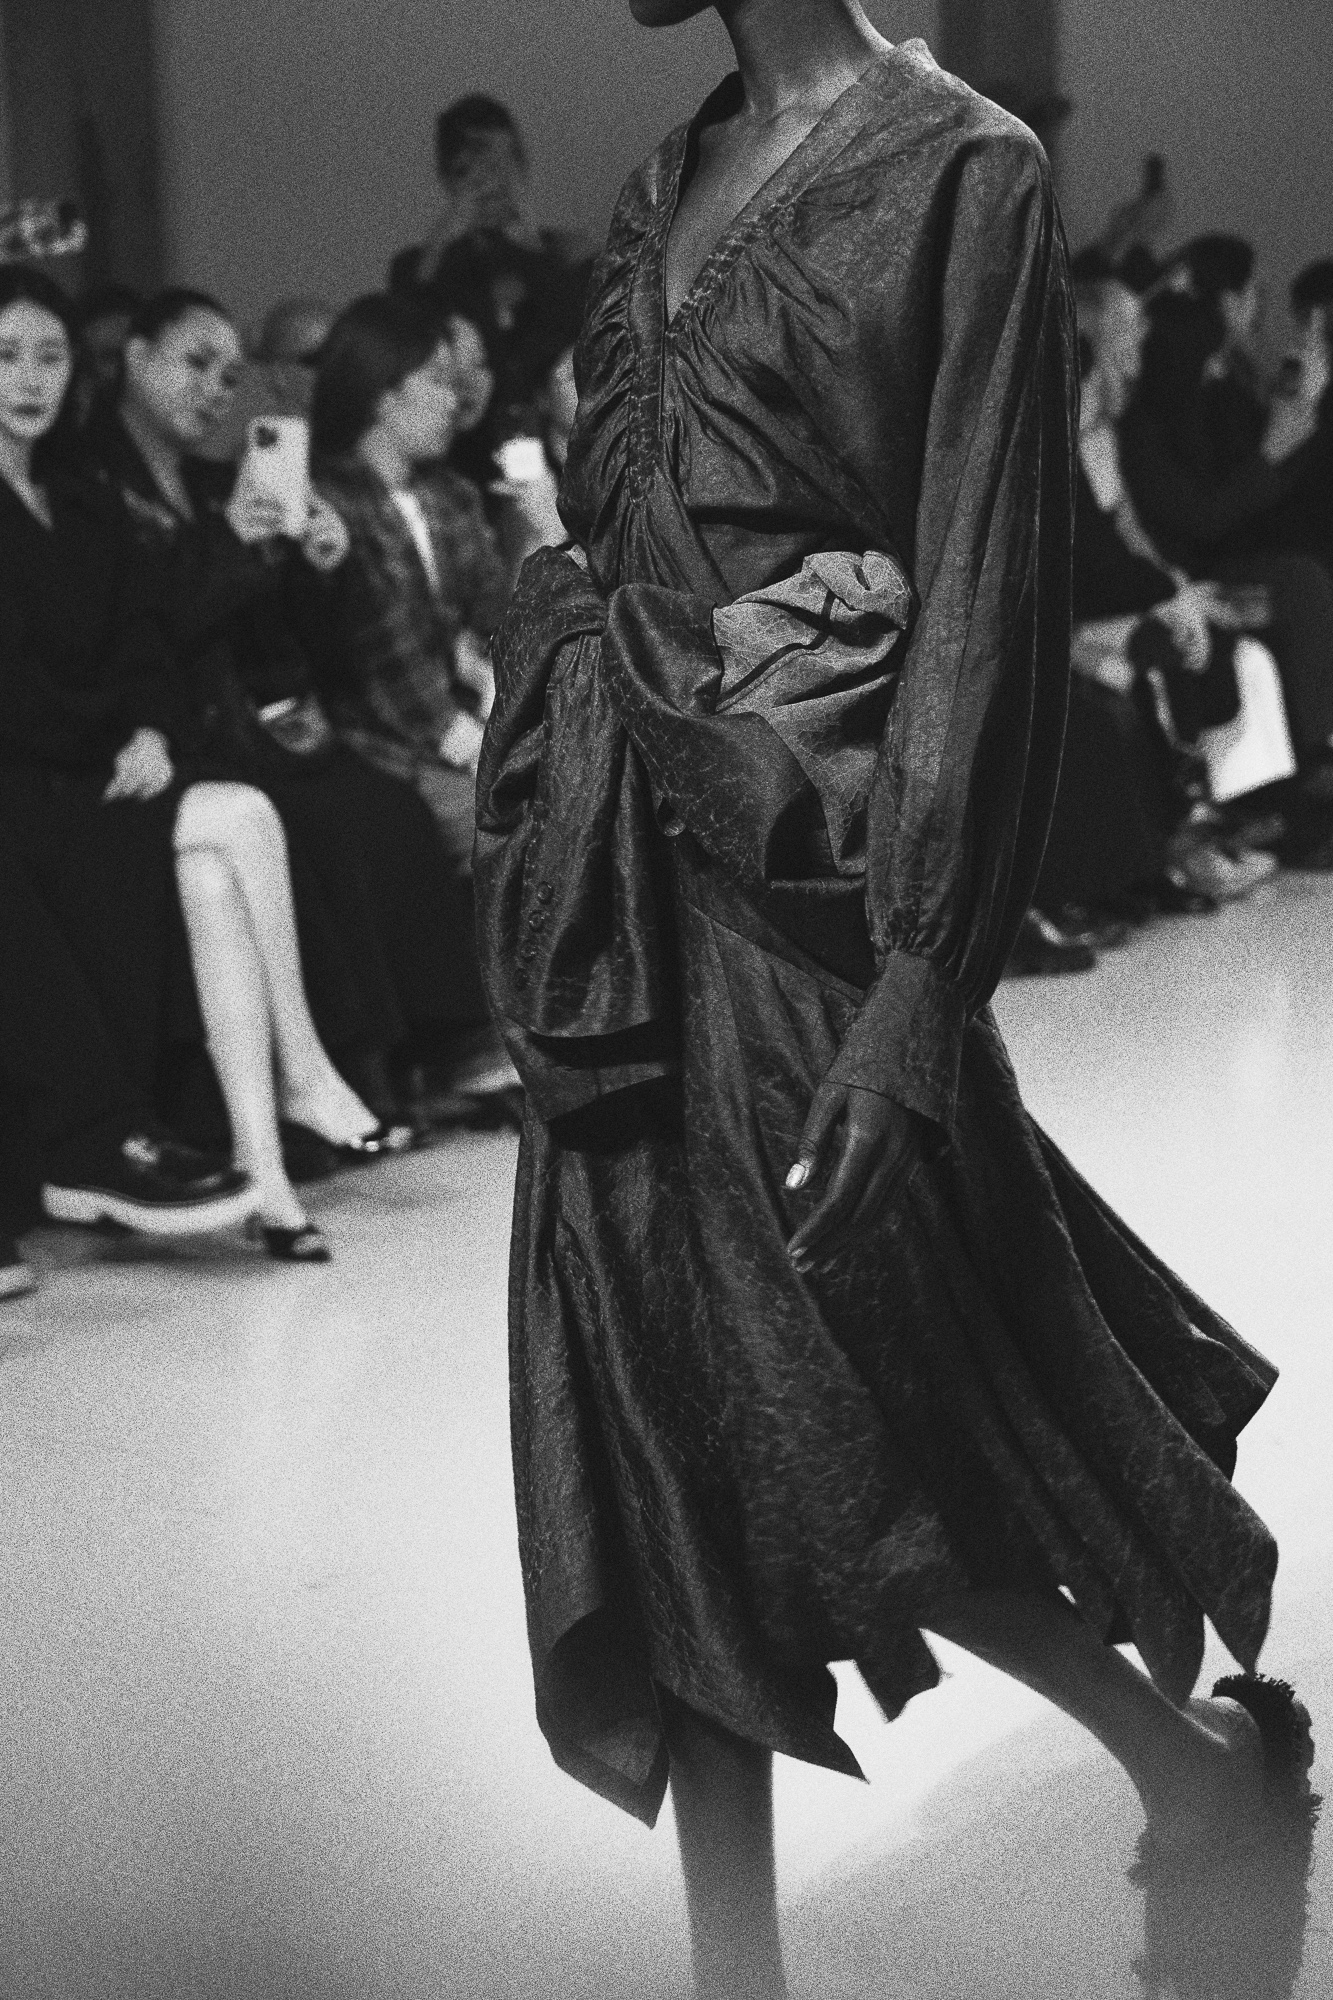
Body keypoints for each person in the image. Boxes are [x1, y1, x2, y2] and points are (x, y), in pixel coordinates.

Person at [473, 8, 1311, 1998]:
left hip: (809, 878)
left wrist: (924, 975)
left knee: (880, 1409)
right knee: (661, 1436)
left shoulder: (964, 169)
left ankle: (1183, 1765)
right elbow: (636, 521)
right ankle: (739, 1972)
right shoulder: (662, 179)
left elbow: (982, 582)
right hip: (616, 887)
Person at [0, 265, 382, 1262]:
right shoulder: (83, 491)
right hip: (34, 784)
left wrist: (148, 729)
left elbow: (137, 640)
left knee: (220, 860)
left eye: (47, 356)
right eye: (6, 356)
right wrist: (121, 733)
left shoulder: (76, 497)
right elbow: (18, 682)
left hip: (101, 770)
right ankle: (301, 1075)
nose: (29, 378)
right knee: (241, 817)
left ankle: (269, 1173)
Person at [82, 287, 469, 1133]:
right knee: (333, 817)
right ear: (136, 357)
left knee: (377, 808)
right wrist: (236, 542)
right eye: (195, 363)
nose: (215, 390)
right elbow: (146, 623)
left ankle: (411, 1060)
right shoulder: (92, 481)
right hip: (162, 723)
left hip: (248, 717)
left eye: (229, 376)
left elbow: (286, 632)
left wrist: (318, 564)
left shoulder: (210, 478)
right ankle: (345, 1080)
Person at [388, 95, 594, 432]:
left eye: (501, 164)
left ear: (522, 168)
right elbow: (404, 334)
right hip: (461, 439)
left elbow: (574, 339)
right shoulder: (420, 267)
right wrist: (445, 235)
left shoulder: (568, 256)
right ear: (448, 178)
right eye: (470, 170)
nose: (490, 182)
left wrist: (534, 250)